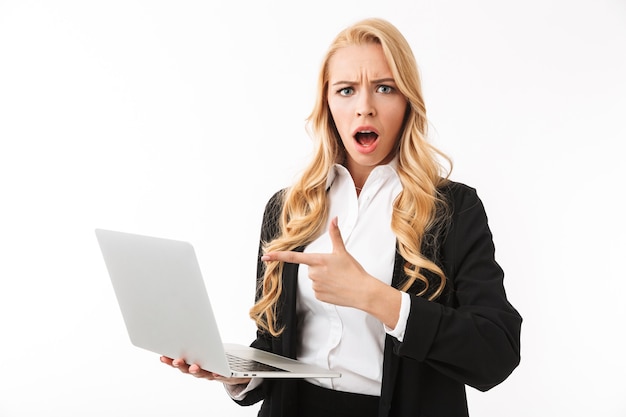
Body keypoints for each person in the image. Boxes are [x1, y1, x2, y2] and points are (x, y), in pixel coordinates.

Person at [161, 17, 522, 417]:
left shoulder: (453, 209)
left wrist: (374, 297)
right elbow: (273, 342)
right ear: (328, 103)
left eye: (384, 88)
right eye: (346, 90)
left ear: (407, 101)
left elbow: (497, 351)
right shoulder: (288, 209)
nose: (364, 107)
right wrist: (236, 374)